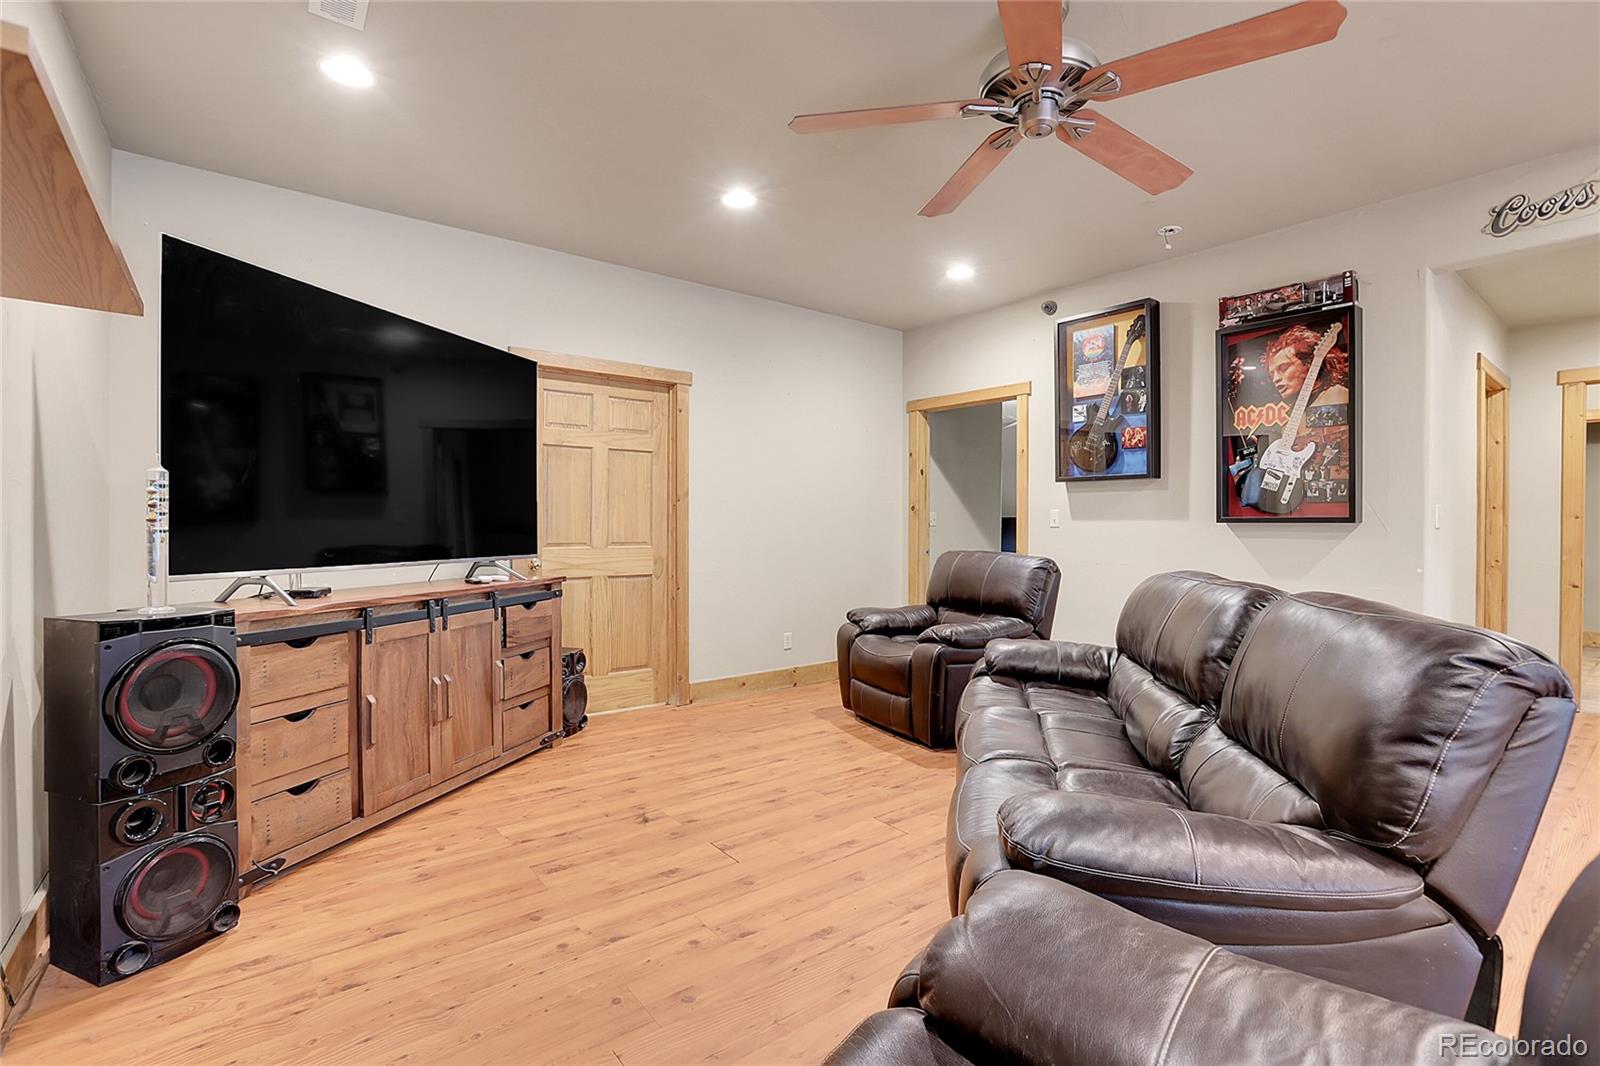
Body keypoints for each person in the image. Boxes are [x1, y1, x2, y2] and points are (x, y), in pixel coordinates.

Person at [1264, 323, 1350, 407]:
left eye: (1284, 368)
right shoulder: (1297, 409)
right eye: (1272, 375)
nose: (1275, 379)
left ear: (1308, 364)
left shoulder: (1336, 395)